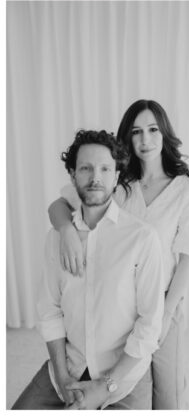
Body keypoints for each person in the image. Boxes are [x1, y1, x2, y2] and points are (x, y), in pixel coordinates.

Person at [48, 100, 189, 410]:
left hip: (165, 300)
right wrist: (66, 232)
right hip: (120, 301)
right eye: (136, 132)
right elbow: (59, 205)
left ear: (165, 134)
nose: (145, 140)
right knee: (123, 380)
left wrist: (164, 315)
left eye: (153, 130)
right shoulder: (118, 184)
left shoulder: (188, 190)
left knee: (168, 394)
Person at [13, 130, 164, 410]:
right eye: (85, 168)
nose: (96, 177)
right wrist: (61, 375)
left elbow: (149, 324)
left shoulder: (142, 238)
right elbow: (50, 311)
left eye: (105, 169)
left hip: (123, 379)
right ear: (72, 176)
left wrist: (106, 386)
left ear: (116, 176)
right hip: (68, 368)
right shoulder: (56, 238)